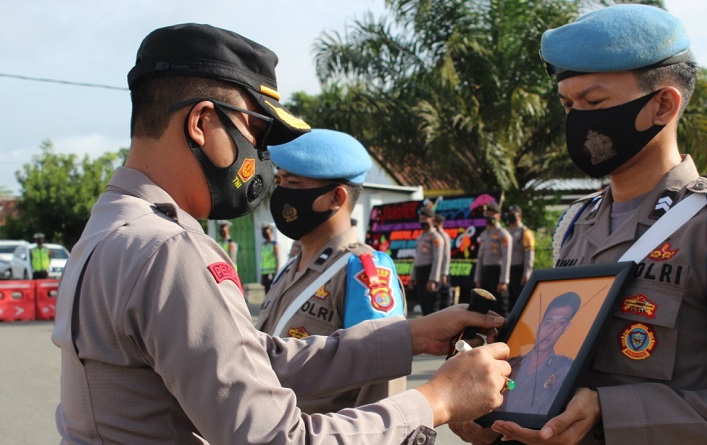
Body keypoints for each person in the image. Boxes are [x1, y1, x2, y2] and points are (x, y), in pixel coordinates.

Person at [52, 23, 514, 445]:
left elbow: (248, 360)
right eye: (255, 133)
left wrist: (408, 337)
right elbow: (276, 438)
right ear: (201, 122)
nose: (261, 158)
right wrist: (437, 400)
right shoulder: (171, 249)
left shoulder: (111, 227)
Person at [451, 5, 707, 445]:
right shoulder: (576, 221)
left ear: (662, 105)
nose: (576, 120)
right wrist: (492, 417)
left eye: (594, 103)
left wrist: (611, 414)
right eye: (568, 105)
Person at [255, 128, 408, 413]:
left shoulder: (363, 272)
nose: (281, 193)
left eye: (293, 183)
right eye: (279, 181)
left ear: (336, 197)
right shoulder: (292, 266)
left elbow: (382, 388)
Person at [498, 292, 580, 416]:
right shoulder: (509, 365)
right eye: (548, 322)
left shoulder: (564, 370)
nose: (551, 330)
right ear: (539, 324)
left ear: (566, 328)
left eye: (561, 323)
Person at [473, 202, 512, 316]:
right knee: (485, 307)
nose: (489, 217)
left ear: (498, 216)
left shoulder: (503, 234)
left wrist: (504, 280)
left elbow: (506, 258)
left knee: (500, 308)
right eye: (487, 214)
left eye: (492, 214)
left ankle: (503, 333)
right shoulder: (484, 234)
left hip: (497, 273)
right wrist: (477, 278)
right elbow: (480, 258)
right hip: (485, 273)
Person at [409, 207, 445, 316]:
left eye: (425, 219)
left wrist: (433, 279)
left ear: (432, 220)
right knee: (423, 305)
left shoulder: (436, 237)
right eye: (421, 219)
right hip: (420, 273)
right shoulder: (420, 237)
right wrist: (412, 277)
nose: (423, 222)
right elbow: (417, 259)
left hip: (429, 273)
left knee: (432, 307)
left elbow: (437, 259)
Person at [504, 205, 535, 310]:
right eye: (509, 215)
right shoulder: (506, 232)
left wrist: (527, 273)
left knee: (521, 303)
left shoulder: (525, 232)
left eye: (513, 215)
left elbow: (529, 254)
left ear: (520, 215)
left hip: (519, 271)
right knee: (509, 303)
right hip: (508, 271)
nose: (510, 217)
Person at [434, 213, 454, 309]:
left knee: (444, 297)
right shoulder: (433, 235)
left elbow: (446, 256)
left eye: (436, 222)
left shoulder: (444, 236)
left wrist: (444, 273)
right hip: (435, 270)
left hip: (443, 271)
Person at [260, 224, 279, 293]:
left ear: (271, 231)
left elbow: (278, 260)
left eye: (266, 230)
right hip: (265, 273)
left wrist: (277, 274)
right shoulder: (264, 245)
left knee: (272, 292)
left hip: (272, 273)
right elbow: (263, 261)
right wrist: (262, 276)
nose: (264, 232)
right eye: (263, 231)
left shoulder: (274, 245)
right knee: (266, 293)